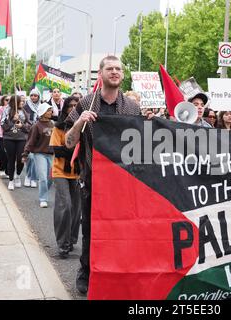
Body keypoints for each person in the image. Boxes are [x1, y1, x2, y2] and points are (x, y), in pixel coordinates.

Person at [65, 55, 141, 294]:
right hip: (93, 181)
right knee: (90, 231)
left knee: (121, 231)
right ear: (101, 74)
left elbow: (140, 146)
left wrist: (150, 124)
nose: (115, 72)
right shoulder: (86, 103)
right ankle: (86, 272)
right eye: (110, 68)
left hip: (123, 184)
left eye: (119, 68)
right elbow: (68, 143)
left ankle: (118, 272)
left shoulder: (132, 107)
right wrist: (79, 123)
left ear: (123, 74)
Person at [50, 96, 81, 258]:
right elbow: (58, 150)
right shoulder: (58, 127)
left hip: (77, 173)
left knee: (76, 210)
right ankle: (62, 244)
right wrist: (76, 151)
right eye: (70, 106)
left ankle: (70, 240)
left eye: (77, 106)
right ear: (65, 108)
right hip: (60, 171)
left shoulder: (83, 127)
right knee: (65, 206)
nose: (73, 108)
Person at [22, 103, 55, 208]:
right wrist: (25, 154)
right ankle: (43, 198)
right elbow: (30, 141)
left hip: (51, 154)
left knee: (50, 178)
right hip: (39, 154)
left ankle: (43, 191)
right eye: (49, 110)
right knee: (43, 178)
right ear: (43, 112)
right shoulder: (36, 126)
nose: (51, 112)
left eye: (51, 110)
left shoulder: (53, 124)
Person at [1, 96, 32, 190]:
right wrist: (13, 120)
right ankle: (11, 180)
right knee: (11, 159)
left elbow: (29, 126)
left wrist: (22, 125)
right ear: (15, 102)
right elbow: (4, 126)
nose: (22, 103)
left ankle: (18, 175)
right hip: (9, 138)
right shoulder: (6, 111)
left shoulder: (25, 112)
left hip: (22, 139)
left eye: (23, 101)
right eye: (20, 101)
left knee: (20, 159)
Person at [23, 88, 42, 188]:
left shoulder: (42, 106)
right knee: (30, 157)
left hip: (39, 135)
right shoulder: (25, 107)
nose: (33, 97)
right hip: (29, 134)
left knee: (36, 157)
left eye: (35, 95)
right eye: (32, 95)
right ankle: (28, 176)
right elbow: (24, 120)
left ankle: (33, 178)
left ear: (39, 97)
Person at [0, 95, 10, 177]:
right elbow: (1, 119)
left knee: (9, 153)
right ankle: (2, 168)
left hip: (10, 134)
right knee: (1, 152)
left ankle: (8, 171)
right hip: (0, 133)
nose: (8, 101)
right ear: (3, 100)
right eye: (6, 100)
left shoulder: (12, 110)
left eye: (9, 100)